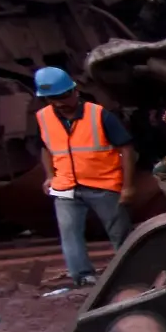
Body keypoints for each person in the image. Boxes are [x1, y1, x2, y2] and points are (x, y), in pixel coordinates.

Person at [34, 67, 137, 286]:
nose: (59, 102)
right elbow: (45, 147)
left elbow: (126, 148)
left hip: (103, 184)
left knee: (120, 234)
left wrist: (127, 186)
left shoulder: (99, 115)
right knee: (70, 235)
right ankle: (83, 277)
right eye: (52, 98)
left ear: (74, 92)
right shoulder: (43, 118)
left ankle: (131, 273)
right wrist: (49, 175)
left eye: (62, 96)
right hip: (65, 186)